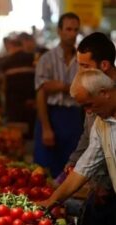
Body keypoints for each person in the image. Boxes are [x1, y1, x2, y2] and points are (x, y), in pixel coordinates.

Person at [38, 68, 116, 224]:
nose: (88, 112)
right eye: (84, 107)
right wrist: (51, 201)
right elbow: (85, 167)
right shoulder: (101, 124)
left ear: (104, 93)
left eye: (89, 104)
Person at [63, 32, 116, 225]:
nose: (80, 72)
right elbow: (90, 138)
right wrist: (74, 160)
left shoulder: (106, 99)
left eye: (85, 66)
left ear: (104, 65)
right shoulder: (91, 92)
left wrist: (105, 185)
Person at [34, 12, 84, 177]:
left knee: (71, 168)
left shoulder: (82, 61)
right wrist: (46, 128)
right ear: (59, 31)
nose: (72, 34)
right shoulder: (47, 59)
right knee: (46, 169)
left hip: (75, 117)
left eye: (75, 30)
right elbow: (42, 92)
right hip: (51, 115)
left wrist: (59, 86)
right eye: (68, 29)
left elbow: (85, 91)